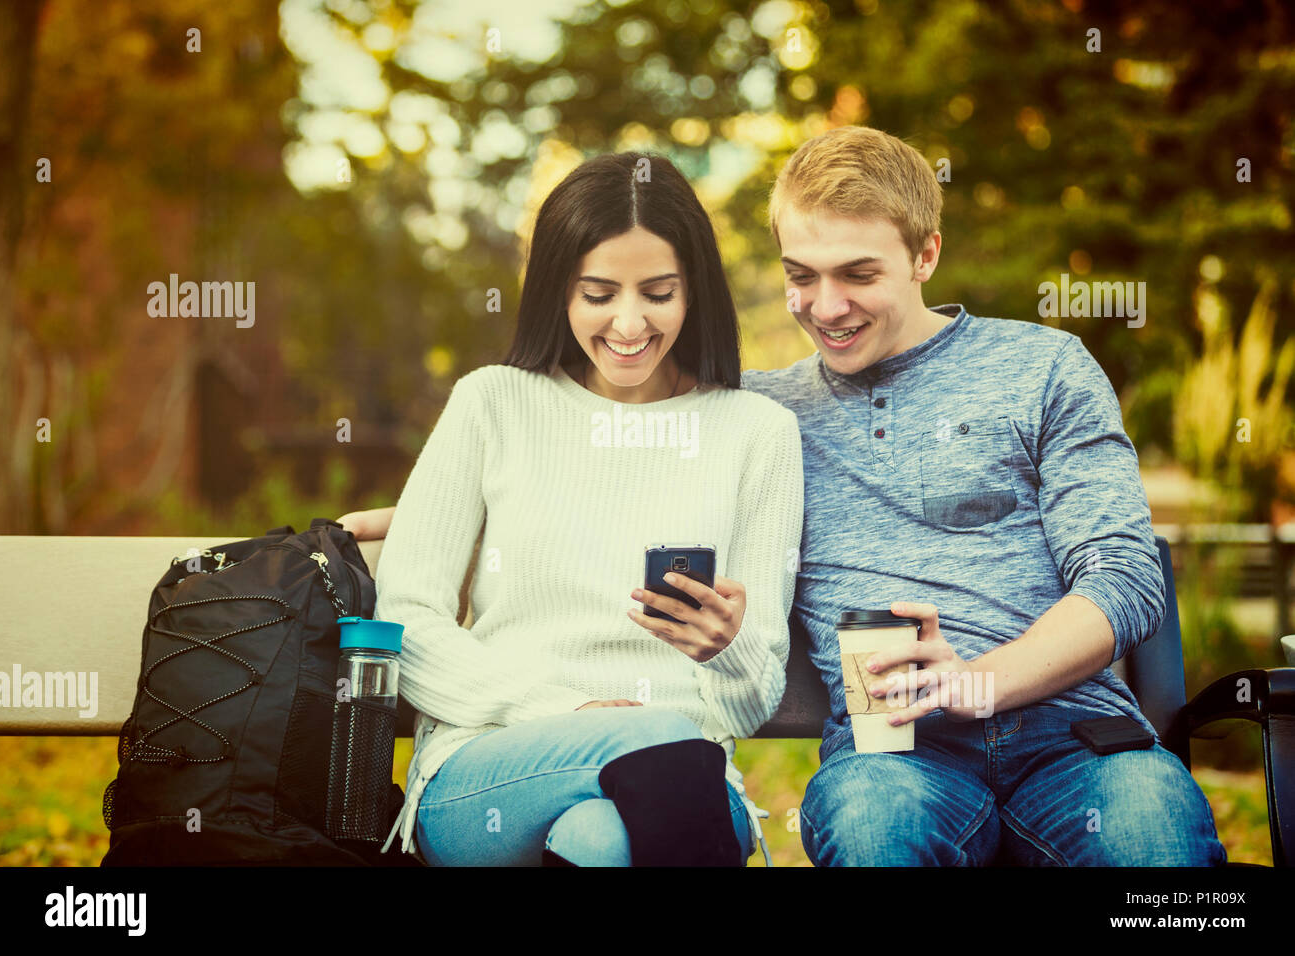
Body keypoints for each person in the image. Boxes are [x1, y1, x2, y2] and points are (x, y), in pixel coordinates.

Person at [347, 125, 1227, 866]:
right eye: (801, 274)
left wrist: (978, 682)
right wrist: (436, 515)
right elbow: (585, 450)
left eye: (859, 274)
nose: (826, 305)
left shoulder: (1024, 372)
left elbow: (1122, 574)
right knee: (864, 825)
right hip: (886, 754)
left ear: (927, 254)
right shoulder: (746, 409)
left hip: (1072, 737)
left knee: (1158, 857)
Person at [359, 150, 803, 867]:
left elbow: (749, 703)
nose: (628, 324)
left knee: (602, 840)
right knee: (653, 742)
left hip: (683, 781)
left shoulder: (757, 433)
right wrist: (570, 714)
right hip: (494, 764)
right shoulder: (492, 404)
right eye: (598, 293)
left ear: (695, 294)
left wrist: (730, 650)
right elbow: (407, 621)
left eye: (658, 292)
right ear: (557, 292)